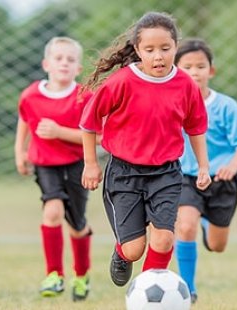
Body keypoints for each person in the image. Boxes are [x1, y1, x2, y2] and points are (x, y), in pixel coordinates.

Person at [79, 11, 212, 288]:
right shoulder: (121, 82)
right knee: (134, 249)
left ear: (176, 46)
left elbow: (196, 127)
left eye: (165, 48)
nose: (158, 56)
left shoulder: (186, 85)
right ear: (137, 50)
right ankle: (121, 253)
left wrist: (203, 166)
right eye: (149, 50)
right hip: (124, 173)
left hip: (166, 172)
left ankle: (146, 293)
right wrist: (91, 164)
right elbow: (89, 123)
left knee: (164, 239)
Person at [173, 38, 237, 304]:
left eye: (200, 66)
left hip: (221, 179)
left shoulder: (226, 106)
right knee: (185, 227)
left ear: (211, 70)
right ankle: (188, 289)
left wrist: (232, 166)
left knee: (217, 246)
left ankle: (208, 222)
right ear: (176, 70)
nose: (194, 72)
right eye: (187, 66)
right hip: (186, 177)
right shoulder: (172, 104)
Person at [14, 36, 93, 301]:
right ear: (46, 63)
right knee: (52, 211)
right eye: (58, 58)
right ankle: (54, 274)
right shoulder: (31, 95)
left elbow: (98, 137)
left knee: (77, 225)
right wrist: (19, 152)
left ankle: (81, 275)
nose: (64, 63)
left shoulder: (85, 96)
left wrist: (60, 132)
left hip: (77, 165)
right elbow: (25, 121)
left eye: (70, 60)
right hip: (45, 164)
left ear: (78, 68)